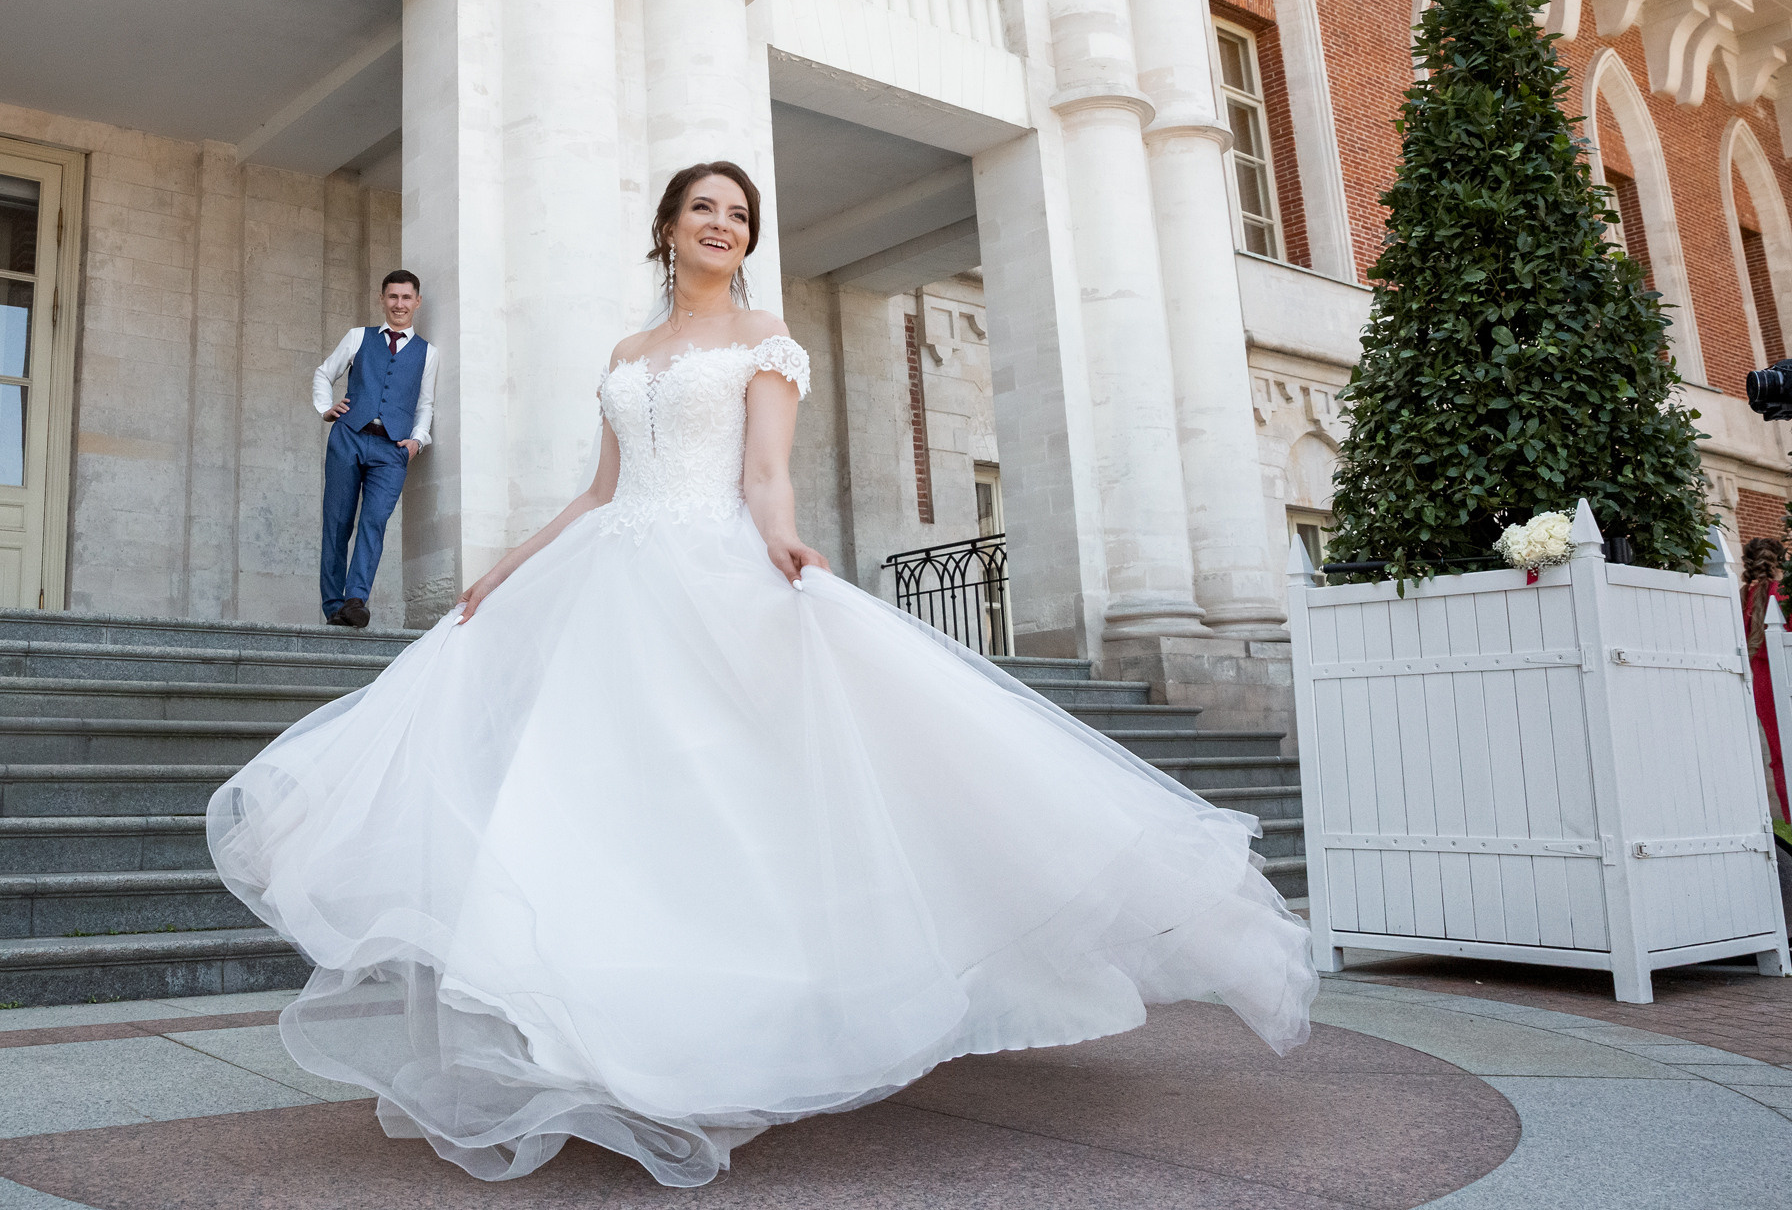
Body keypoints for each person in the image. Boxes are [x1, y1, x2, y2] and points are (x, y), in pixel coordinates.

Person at [213, 163, 1316, 1189]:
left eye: (739, 214)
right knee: (605, 805)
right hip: (612, 578)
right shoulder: (624, 353)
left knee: (720, 800)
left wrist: (786, 544)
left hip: (711, 572)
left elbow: (766, 474)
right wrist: (505, 566)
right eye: (705, 207)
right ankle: (605, 1030)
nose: (723, 224)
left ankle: (728, 1037)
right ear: (668, 228)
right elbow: (602, 489)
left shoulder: (768, 339)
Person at [311, 271, 438, 628]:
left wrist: (418, 439)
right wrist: (326, 408)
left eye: (406, 298)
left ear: (417, 302)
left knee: (374, 522)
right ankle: (334, 605)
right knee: (337, 523)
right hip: (349, 437)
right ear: (382, 299)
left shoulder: (428, 353)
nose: (399, 304)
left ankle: (355, 599)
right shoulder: (358, 337)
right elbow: (324, 373)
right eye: (393, 297)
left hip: (392, 449)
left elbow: (425, 404)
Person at [1743, 536, 1789, 823]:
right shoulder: (1783, 593)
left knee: (1780, 753)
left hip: (1760, 681)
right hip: (1783, 675)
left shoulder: (1740, 596)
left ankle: (1788, 813)